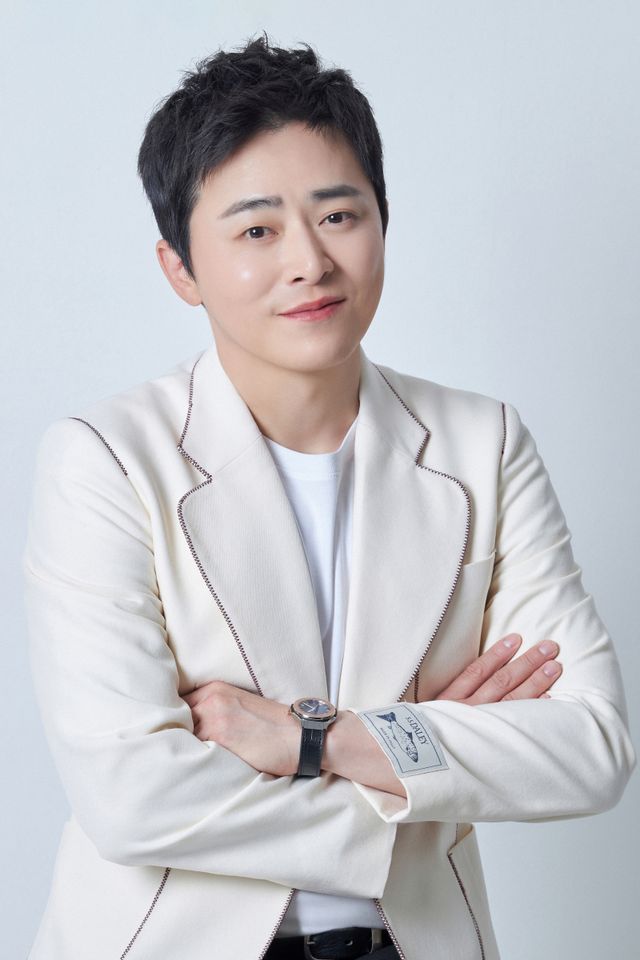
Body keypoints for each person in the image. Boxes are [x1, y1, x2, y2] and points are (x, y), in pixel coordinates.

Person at [23, 33, 635, 960]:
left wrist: (320, 740)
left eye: (339, 215)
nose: (309, 261)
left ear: (383, 221)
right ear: (180, 268)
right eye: (256, 231)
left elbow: (591, 748)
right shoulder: (107, 460)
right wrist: (430, 773)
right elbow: (132, 798)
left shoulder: (485, 444)